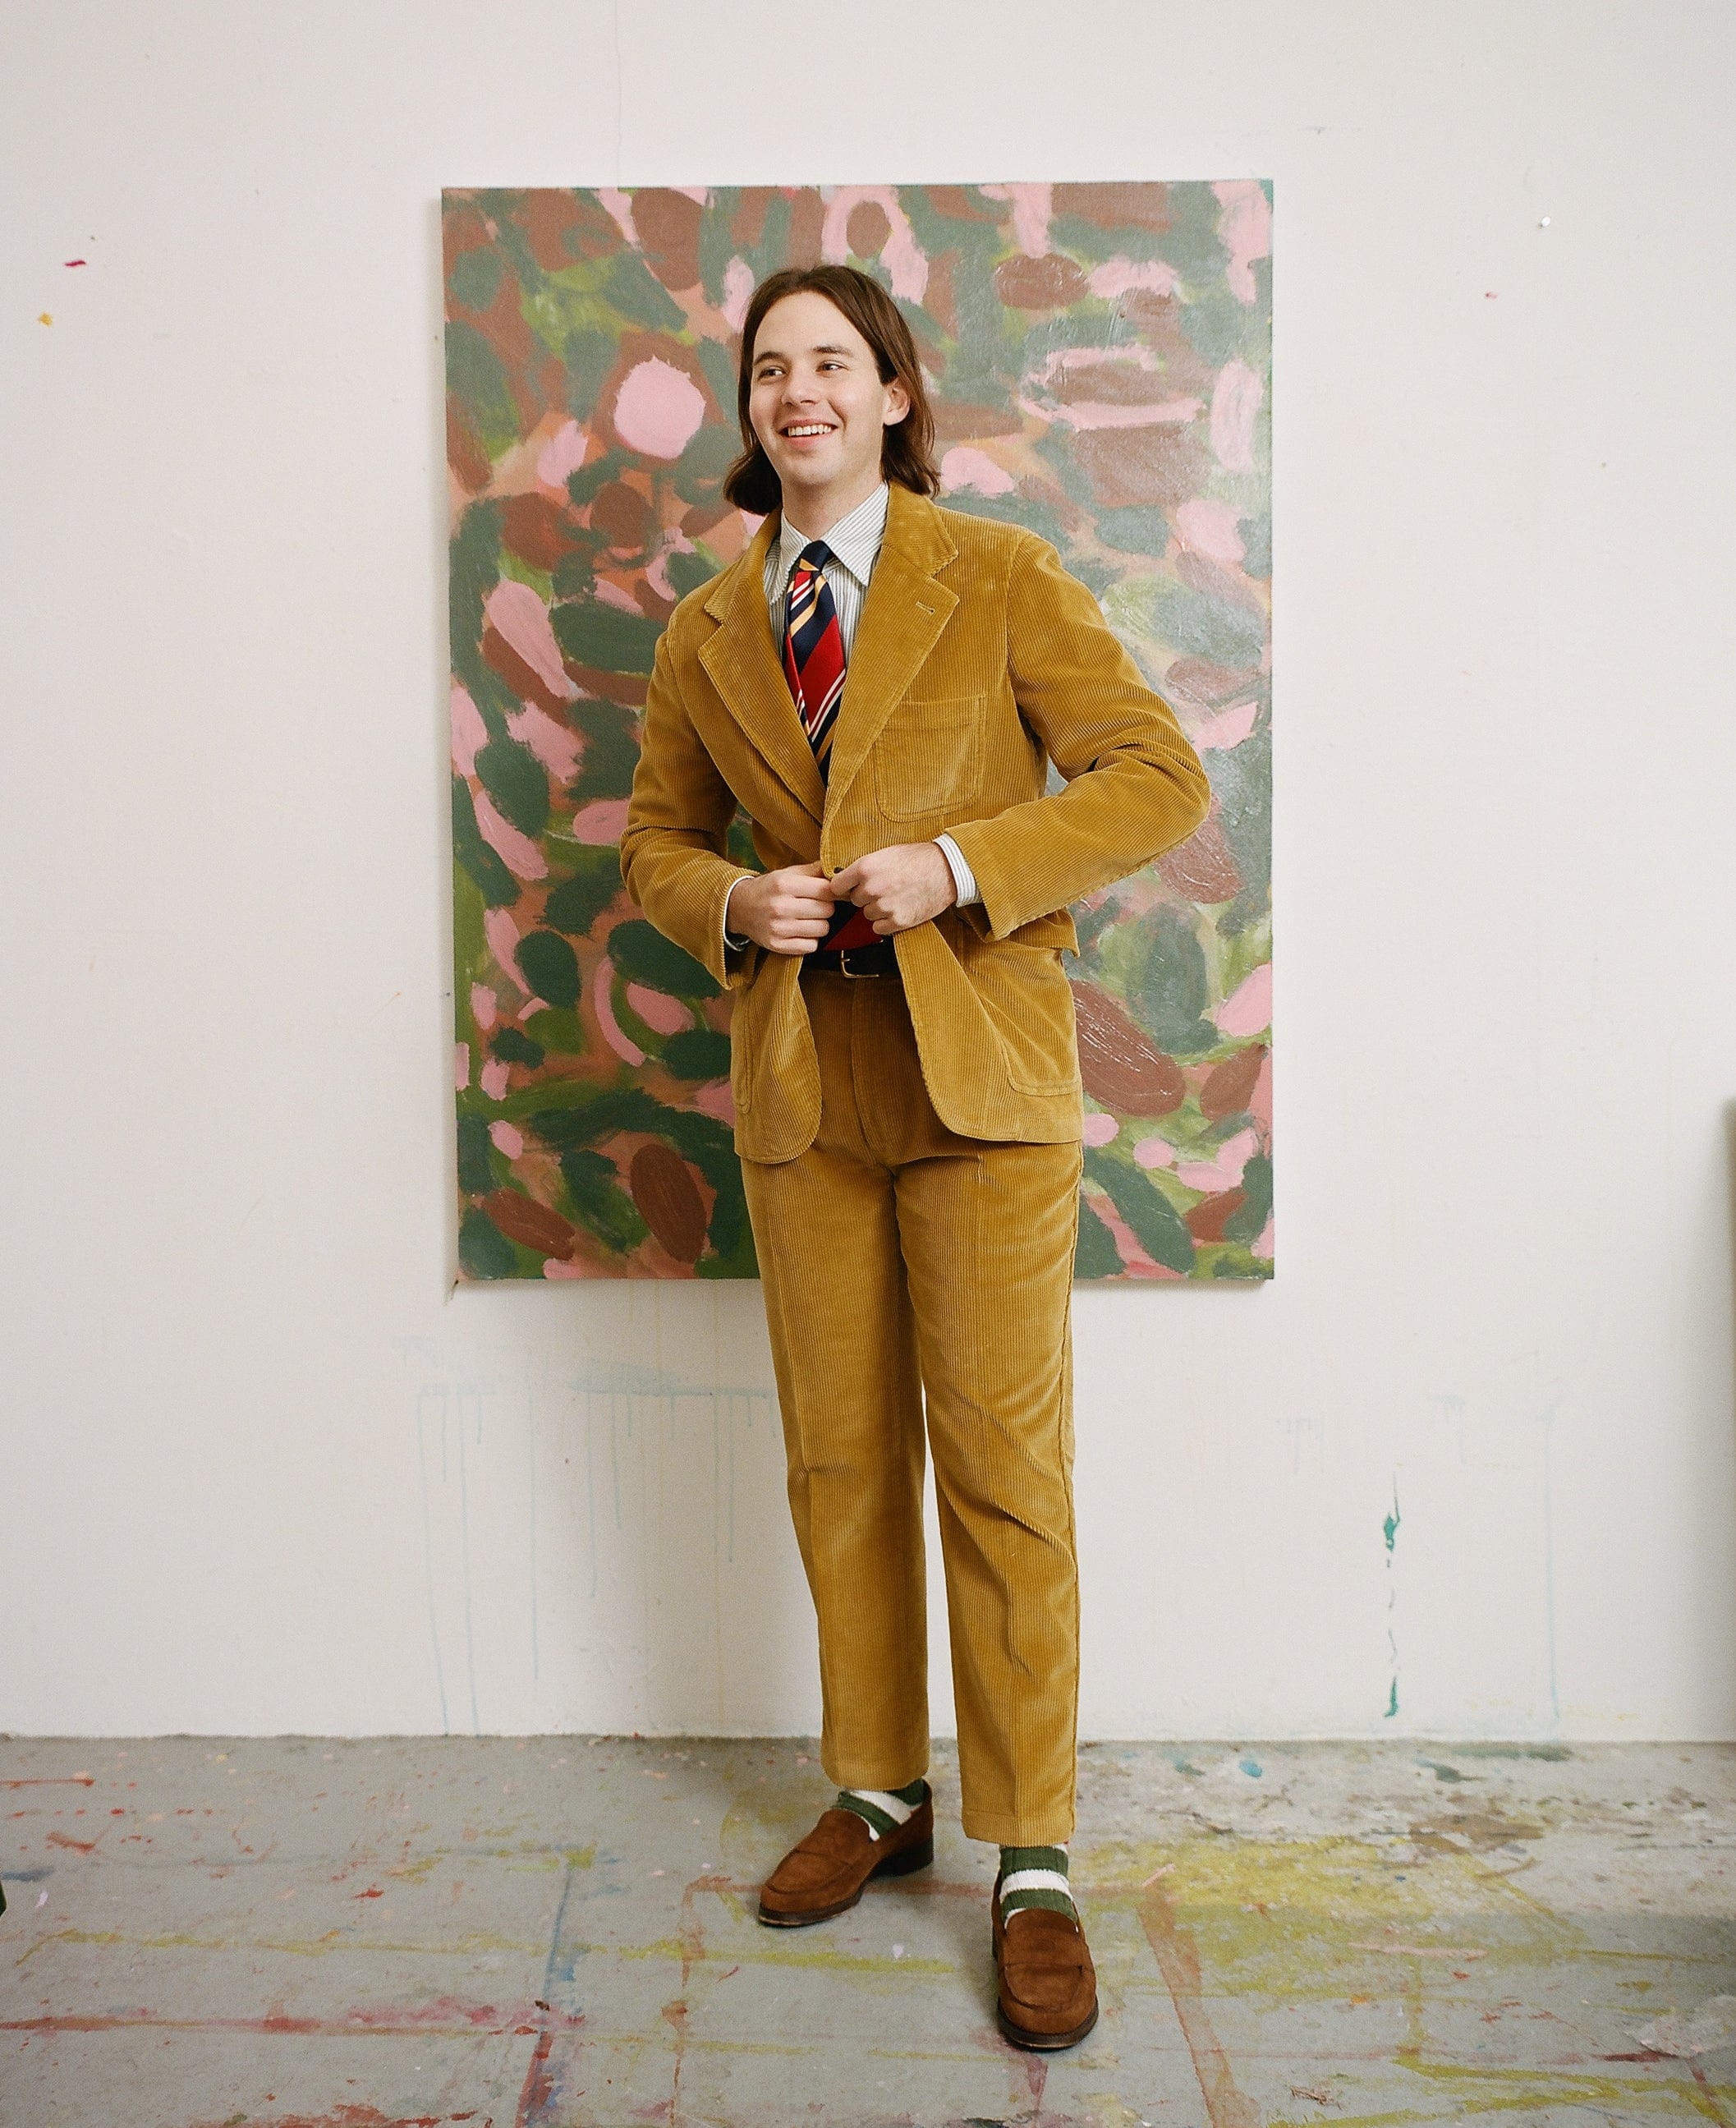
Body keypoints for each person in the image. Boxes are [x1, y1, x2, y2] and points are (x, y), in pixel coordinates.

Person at [620, 262, 1210, 2051]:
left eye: (831, 362)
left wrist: (958, 867)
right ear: (751, 409)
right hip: (805, 1091)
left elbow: (1155, 775)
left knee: (1004, 1472)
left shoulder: (998, 572)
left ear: (890, 395)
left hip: (979, 1088)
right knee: (840, 1463)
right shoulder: (708, 627)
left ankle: (1031, 1854)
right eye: (768, 367)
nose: (796, 389)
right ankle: (878, 1791)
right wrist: (732, 900)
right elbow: (654, 841)